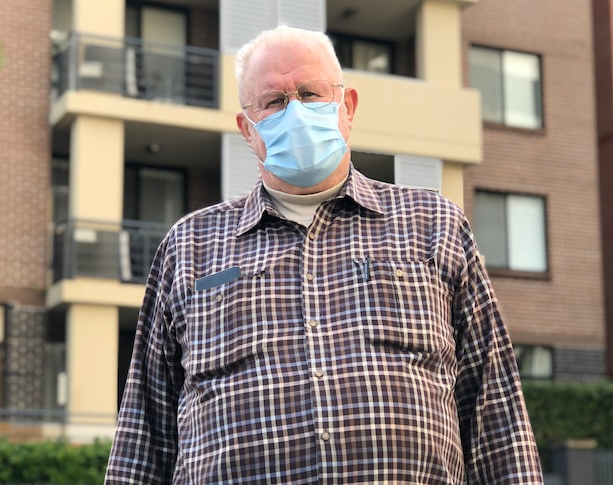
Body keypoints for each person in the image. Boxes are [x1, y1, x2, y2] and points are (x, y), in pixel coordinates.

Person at [105, 25, 543, 484]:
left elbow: (496, 412)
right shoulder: (188, 246)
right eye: (274, 101)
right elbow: (145, 430)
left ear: (347, 107)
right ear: (247, 129)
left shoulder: (435, 225)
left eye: (311, 93)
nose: (295, 111)